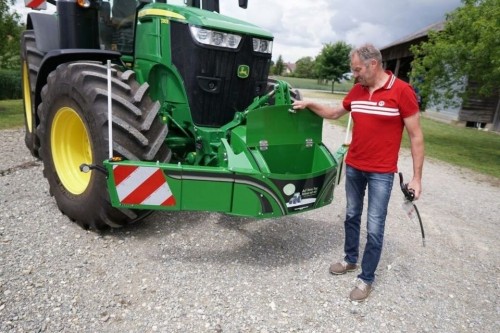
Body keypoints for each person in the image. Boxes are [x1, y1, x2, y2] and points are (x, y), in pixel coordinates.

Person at [292, 43, 424, 302]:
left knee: (375, 226)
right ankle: (350, 259)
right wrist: (309, 104)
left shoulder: (402, 91)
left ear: (373, 64)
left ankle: (366, 280)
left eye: (357, 69)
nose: (355, 75)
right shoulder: (357, 91)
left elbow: (416, 136)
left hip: (381, 173)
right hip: (354, 167)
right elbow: (333, 113)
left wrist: (417, 178)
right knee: (351, 215)